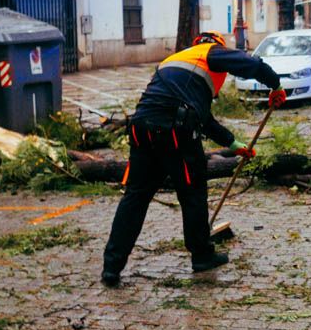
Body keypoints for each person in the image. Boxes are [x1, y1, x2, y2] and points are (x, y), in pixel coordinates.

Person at [100, 32, 285, 285]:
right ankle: (201, 256)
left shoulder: (174, 62)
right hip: (175, 131)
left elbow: (204, 120)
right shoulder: (210, 53)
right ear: (215, 46)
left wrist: (233, 143)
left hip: (140, 127)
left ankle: (111, 268)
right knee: (193, 192)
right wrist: (275, 85)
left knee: (135, 197)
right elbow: (253, 64)